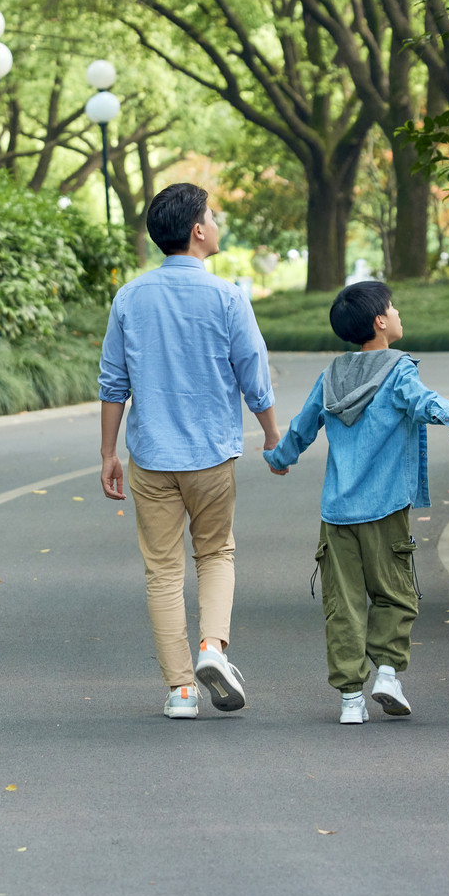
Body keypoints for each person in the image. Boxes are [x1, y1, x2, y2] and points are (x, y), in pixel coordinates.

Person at [100, 183, 280, 720]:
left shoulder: (130, 297)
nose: (217, 222)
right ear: (198, 231)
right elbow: (254, 374)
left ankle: (180, 691)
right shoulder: (228, 297)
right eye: (213, 215)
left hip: (150, 456)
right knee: (216, 552)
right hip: (210, 455)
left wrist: (108, 452)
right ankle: (212, 649)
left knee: (162, 570)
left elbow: (114, 382)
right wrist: (272, 435)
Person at [264, 283, 449, 723]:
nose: (398, 312)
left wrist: (279, 457)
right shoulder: (399, 370)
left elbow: (303, 427)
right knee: (396, 595)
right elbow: (423, 403)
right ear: (380, 322)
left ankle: (349, 701)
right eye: (393, 307)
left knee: (342, 605)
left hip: (337, 516)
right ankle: (385, 673)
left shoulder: (331, 376)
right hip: (385, 510)